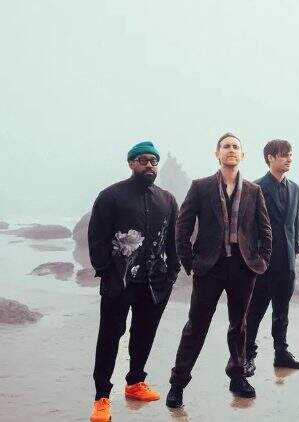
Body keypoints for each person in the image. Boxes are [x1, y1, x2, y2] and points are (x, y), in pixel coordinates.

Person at [166, 133, 272, 407]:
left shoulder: (253, 191)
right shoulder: (200, 187)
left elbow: (265, 230)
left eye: (236, 146)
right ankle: (178, 383)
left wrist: (261, 261)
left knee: (239, 326)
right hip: (209, 267)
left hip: (243, 266)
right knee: (196, 327)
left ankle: (238, 377)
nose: (231, 150)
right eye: (226, 146)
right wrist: (189, 261)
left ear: (242, 154)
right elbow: (182, 226)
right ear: (217, 153)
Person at [87, 141, 180, 422]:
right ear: (131, 163)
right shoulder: (110, 196)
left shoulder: (167, 200)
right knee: (110, 336)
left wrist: (172, 273)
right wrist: (106, 272)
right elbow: (97, 238)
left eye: (153, 161)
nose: (149, 165)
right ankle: (101, 397)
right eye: (143, 160)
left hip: (155, 282)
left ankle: (135, 382)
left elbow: (174, 239)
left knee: (144, 333)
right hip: (119, 281)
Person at [244, 139, 299, 377]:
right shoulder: (255, 187)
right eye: (284, 155)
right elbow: (247, 227)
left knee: (282, 311)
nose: (289, 158)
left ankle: (281, 353)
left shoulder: (295, 188)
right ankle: (247, 355)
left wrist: (295, 249)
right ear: (270, 157)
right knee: (254, 312)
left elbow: (295, 222)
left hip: (287, 262)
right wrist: (254, 258)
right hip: (262, 264)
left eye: (290, 154)